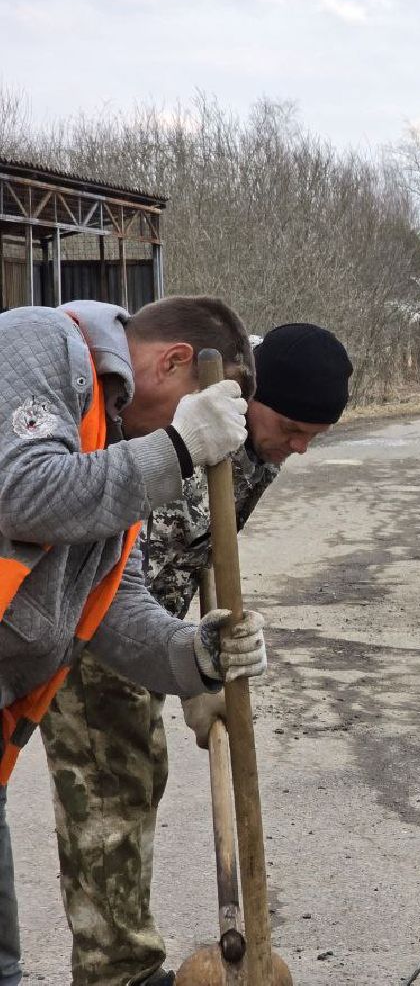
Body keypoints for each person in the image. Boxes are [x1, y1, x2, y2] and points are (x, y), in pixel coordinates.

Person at [38, 322, 352, 986]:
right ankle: (115, 972)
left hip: (158, 635)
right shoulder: (193, 423)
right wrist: (185, 674)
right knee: (112, 789)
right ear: (252, 393)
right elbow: (122, 566)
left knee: (139, 779)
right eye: (291, 427)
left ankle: (123, 960)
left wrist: (196, 668)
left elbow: (205, 550)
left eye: (310, 439)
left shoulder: (258, 447)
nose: (296, 448)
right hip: (97, 627)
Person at [0, 296, 268, 986]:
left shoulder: (116, 443)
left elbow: (110, 604)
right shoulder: (37, 346)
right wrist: (177, 448)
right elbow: (21, 493)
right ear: (175, 359)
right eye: (193, 407)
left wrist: (196, 655)